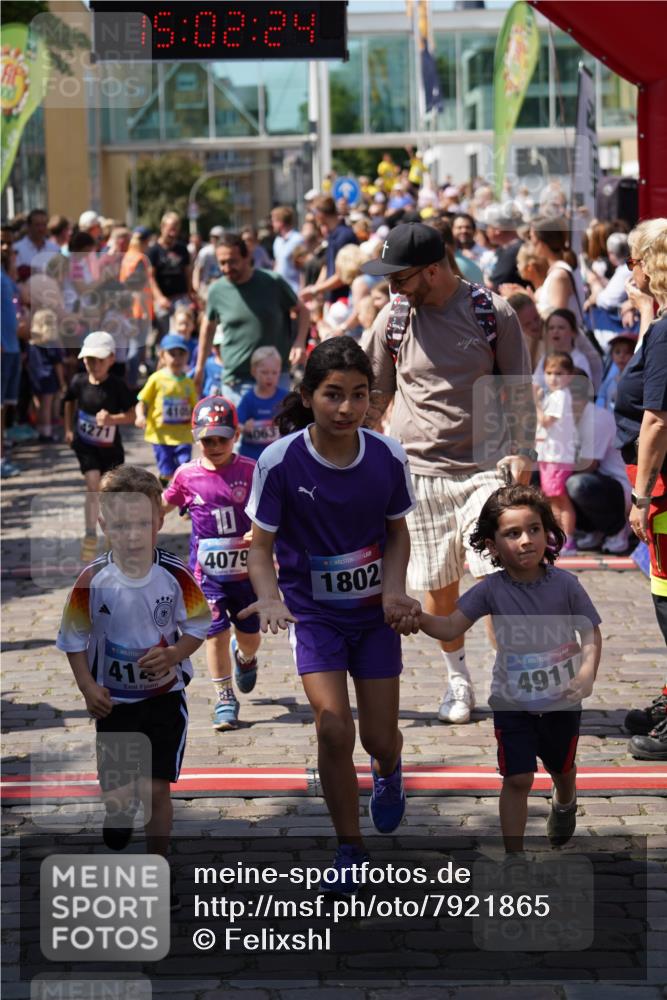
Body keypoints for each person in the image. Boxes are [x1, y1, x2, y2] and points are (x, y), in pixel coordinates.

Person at [239, 337, 420, 891]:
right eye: (333, 395)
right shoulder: (279, 460)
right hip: (313, 616)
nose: (346, 408)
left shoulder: (388, 456)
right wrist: (269, 598)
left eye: (359, 395)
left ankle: (389, 773)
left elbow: (397, 534)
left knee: (380, 739)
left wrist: (392, 591)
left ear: (374, 398)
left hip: (373, 617)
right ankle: (351, 847)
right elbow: (260, 547)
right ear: (309, 396)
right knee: (334, 727)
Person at [361, 222, 535, 725]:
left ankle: (509, 676)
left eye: (400, 277)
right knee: (440, 587)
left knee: (499, 574)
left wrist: (523, 451)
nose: (392, 286)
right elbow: (376, 392)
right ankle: (458, 680)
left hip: (485, 467)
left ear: (433, 270)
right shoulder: (393, 318)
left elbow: (518, 389)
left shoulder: (490, 311)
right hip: (419, 471)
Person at [389, 484, 601, 853]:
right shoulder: (491, 591)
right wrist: (417, 615)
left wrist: (585, 674)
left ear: (547, 531)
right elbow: (451, 626)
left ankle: (565, 800)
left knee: (561, 768)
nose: (526, 541)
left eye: (534, 529)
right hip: (512, 703)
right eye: (512, 533)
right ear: (491, 546)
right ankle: (514, 856)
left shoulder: (566, 585)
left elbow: (590, 632)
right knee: (517, 778)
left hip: (561, 702)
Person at [56, 465, 210, 907]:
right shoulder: (91, 580)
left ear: (160, 521)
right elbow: (73, 639)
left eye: (142, 523)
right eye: (121, 525)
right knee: (121, 789)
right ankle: (117, 810)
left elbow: (199, 625)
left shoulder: (177, 576)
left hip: (164, 699)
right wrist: (88, 687)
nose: (132, 535)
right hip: (114, 703)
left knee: (156, 788)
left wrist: (176, 654)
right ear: (104, 524)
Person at [162, 396, 260, 731]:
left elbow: (272, 511)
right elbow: (164, 504)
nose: (215, 445)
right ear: (195, 437)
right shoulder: (186, 475)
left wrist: (259, 534)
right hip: (206, 576)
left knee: (249, 634)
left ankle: (245, 657)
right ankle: (224, 697)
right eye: (207, 440)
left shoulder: (250, 470)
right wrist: (139, 520)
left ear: (235, 435)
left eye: (222, 438)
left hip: (249, 573)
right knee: (212, 632)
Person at [614, 218, 667, 759]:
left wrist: (643, 496)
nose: (631, 270)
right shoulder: (663, 322)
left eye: (637, 260)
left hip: (661, 485)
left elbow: (656, 417)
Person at [195, 234, 309, 405]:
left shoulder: (272, 282)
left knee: (280, 431)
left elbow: (303, 311)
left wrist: (300, 342)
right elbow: (208, 328)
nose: (227, 268)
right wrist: (200, 368)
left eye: (232, 261)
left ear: (247, 257)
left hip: (275, 378)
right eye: (222, 263)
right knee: (240, 431)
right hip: (237, 381)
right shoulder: (217, 290)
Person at [63, 331, 136, 561]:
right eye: (88, 359)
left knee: (110, 491)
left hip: (110, 447)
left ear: (112, 359)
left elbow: (133, 415)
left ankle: (112, 534)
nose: (93, 364)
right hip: (85, 445)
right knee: (93, 483)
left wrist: (113, 420)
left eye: (99, 360)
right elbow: (68, 402)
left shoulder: (117, 386)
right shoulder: (78, 381)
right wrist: (68, 428)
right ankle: (90, 534)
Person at [567, 372, 633, 554]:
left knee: (574, 484)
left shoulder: (596, 418)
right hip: (603, 482)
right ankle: (594, 530)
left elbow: (588, 465)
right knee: (554, 482)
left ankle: (618, 529)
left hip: (623, 488)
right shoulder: (571, 418)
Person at [136, 332, 197, 487]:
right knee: (168, 471)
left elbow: (195, 408)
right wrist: (140, 416)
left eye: (181, 354)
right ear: (162, 356)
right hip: (161, 436)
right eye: (172, 354)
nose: (176, 359)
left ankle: (184, 503)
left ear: (187, 356)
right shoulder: (156, 378)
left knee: (185, 468)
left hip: (183, 435)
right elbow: (142, 401)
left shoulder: (189, 382)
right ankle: (165, 482)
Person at [536, 351, 578, 554]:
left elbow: (546, 421)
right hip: (549, 455)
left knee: (560, 498)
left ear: (569, 376)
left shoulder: (560, 396)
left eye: (559, 373)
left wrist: (534, 404)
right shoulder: (555, 396)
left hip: (557, 457)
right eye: (549, 372)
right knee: (552, 498)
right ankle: (558, 534)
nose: (553, 377)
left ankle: (568, 538)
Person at [236, 346, 288, 460]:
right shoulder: (249, 399)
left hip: (277, 457)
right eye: (264, 372)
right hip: (252, 457)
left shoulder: (285, 397)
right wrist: (244, 427)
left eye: (274, 373)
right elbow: (236, 424)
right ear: (254, 371)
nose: (270, 377)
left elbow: (296, 423)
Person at [147, 212, 192, 340]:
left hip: (181, 297)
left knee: (183, 330)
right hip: (163, 299)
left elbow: (187, 273)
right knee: (165, 335)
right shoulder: (154, 250)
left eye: (176, 229)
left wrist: (190, 293)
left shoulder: (182, 249)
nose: (173, 232)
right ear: (162, 227)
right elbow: (150, 278)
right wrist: (159, 298)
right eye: (171, 228)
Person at [26, 308, 66, 442]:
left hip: (35, 377)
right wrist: (62, 382)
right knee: (47, 406)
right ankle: (46, 433)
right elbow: (57, 364)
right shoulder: (52, 344)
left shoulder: (32, 343)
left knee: (39, 405)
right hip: (48, 377)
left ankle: (40, 430)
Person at [533, 309, 592, 390]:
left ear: (573, 332)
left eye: (561, 328)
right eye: (551, 328)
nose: (555, 331)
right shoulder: (546, 358)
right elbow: (536, 384)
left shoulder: (579, 360)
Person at [271, 206, 305, 296]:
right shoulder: (277, 241)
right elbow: (277, 264)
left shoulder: (298, 240)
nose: (272, 224)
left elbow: (302, 268)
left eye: (274, 221)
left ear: (280, 223)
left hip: (294, 291)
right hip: (279, 292)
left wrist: (301, 292)